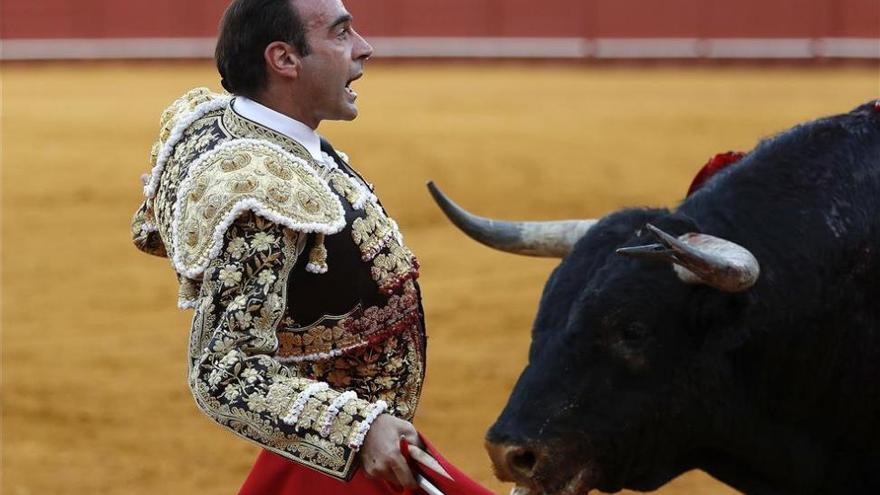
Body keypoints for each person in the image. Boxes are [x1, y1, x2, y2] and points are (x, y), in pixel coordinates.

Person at [131, 0, 429, 491]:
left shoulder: (220, 125)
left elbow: (153, 226)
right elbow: (223, 370)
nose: (363, 48)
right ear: (284, 60)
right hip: (338, 462)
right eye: (341, 34)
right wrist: (358, 429)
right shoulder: (261, 190)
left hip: (327, 452)